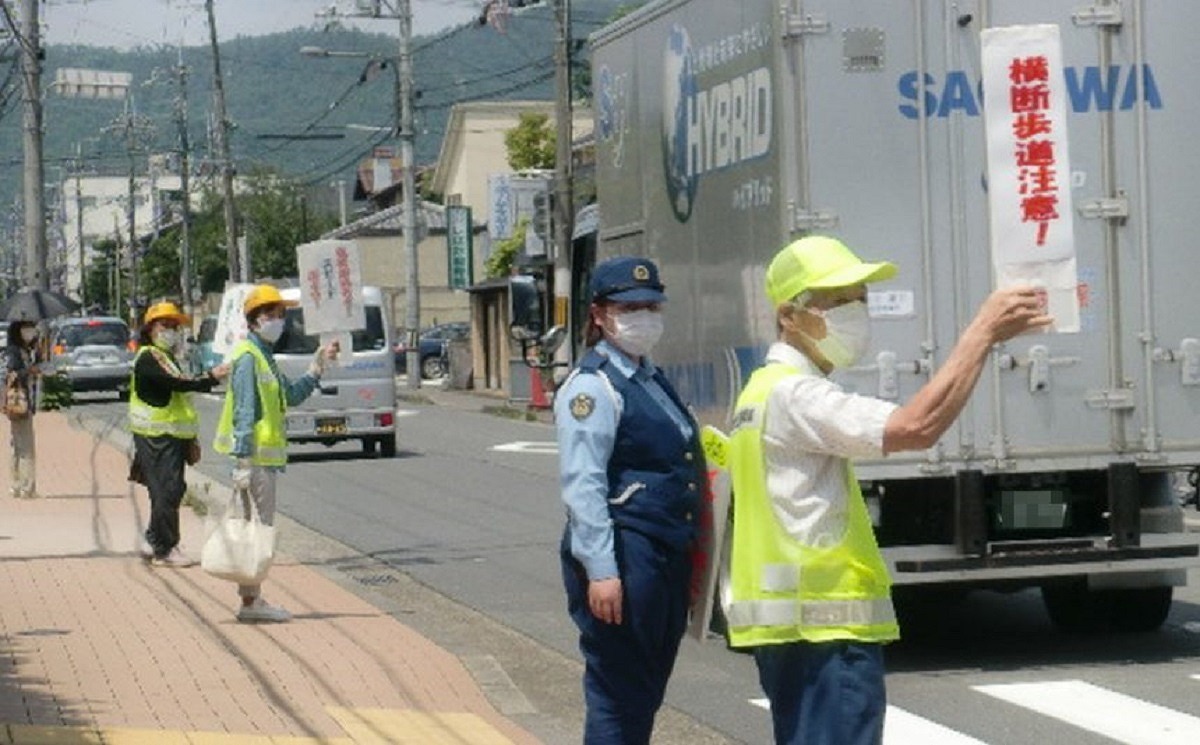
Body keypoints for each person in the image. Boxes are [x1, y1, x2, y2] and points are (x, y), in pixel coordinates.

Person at [723, 236, 1053, 745]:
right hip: (825, 631)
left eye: (860, 298)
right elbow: (915, 426)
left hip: (794, 632)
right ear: (790, 315)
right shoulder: (796, 394)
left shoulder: (759, 392)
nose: (855, 312)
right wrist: (981, 334)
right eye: (837, 302)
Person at [554, 256, 706, 744]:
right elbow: (584, 485)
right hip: (626, 553)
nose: (643, 317)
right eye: (629, 307)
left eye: (651, 306)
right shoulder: (592, 388)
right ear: (599, 315)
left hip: (661, 553)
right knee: (619, 692)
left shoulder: (648, 377)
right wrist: (601, 570)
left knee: (644, 688)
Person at [212, 284, 338, 623]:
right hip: (253, 460)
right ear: (253, 320)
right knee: (258, 531)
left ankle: (251, 598)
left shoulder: (264, 356)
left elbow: (291, 396)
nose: (277, 321)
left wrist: (317, 368)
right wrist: (241, 458)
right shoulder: (247, 357)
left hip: (261, 460)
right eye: (269, 315)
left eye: (281, 315)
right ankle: (251, 603)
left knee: (257, 531)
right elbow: (244, 410)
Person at [129, 301, 229, 567]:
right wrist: (211, 376)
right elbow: (178, 383)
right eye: (165, 325)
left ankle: (154, 538)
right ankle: (165, 547)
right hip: (157, 433)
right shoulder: (151, 356)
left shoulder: (165, 356)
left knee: (166, 489)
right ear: (150, 328)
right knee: (168, 489)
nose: (171, 331)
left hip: (169, 433)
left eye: (174, 326)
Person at [4, 320, 42, 498]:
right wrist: (30, 371)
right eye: (27, 329)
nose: (30, 332)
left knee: (17, 445)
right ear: (18, 331)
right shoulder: (13, 351)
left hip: (24, 401)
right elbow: (12, 372)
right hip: (19, 402)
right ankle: (27, 486)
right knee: (25, 445)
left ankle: (16, 485)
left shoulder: (28, 350)